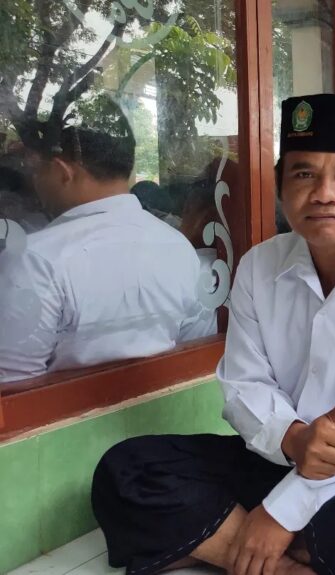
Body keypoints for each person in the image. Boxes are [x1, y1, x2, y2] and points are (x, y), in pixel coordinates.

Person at [91, 94, 335, 575]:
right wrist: (294, 439)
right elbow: (245, 384)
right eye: (304, 174)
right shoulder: (259, 267)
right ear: (280, 186)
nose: (324, 194)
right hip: (288, 452)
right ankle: (275, 560)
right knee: (126, 468)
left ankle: (221, 535)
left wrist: (281, 509)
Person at [0, 98, 213, 384]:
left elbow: (12, 389)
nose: (36, 182)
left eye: (39, 171)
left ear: (63, 172)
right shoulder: (177, 246)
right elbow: (192, 351)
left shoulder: (36, 259)